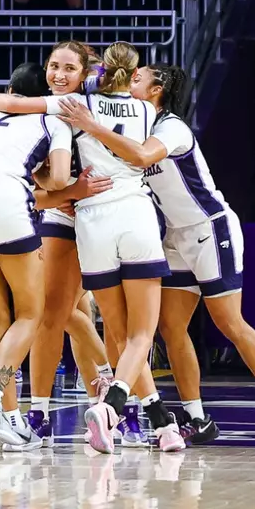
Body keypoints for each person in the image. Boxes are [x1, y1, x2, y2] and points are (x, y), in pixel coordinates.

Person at [70, 61, 255, 447]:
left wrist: (92, 124)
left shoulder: (171, 127)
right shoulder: (134, 125)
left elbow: (142, 158)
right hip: (172, 235)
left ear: (156, 90)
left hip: (208, 227)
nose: (129, 82)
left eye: (137, 78)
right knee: (171, 329)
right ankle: (196, 416)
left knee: (228, 322)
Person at [0, 41, 124, 444]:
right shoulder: (46, 109)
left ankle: (118, 400)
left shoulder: (97, 105)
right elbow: (44, 180)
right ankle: (41, 409)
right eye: (52, 66)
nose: (58, 75)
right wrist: (61, 187)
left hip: (105, 210)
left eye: (68, 68)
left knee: (106, 319)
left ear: (86, 74)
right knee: (52, 314)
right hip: (63, 212)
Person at [60, 42, 187, 454]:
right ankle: (112, 406)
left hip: (91, 219)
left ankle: (161, 423)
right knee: (140, 335)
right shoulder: (149, 111)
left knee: (117, 331)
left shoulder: (79, 103)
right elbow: (138, 156)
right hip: (133, 214)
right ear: (134, 77)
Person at [0, 62, 73, 447]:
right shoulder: (55, 119)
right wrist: (72, 188)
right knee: (30, 314)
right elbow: (57, 179)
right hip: (6, 204)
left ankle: (8, 415)